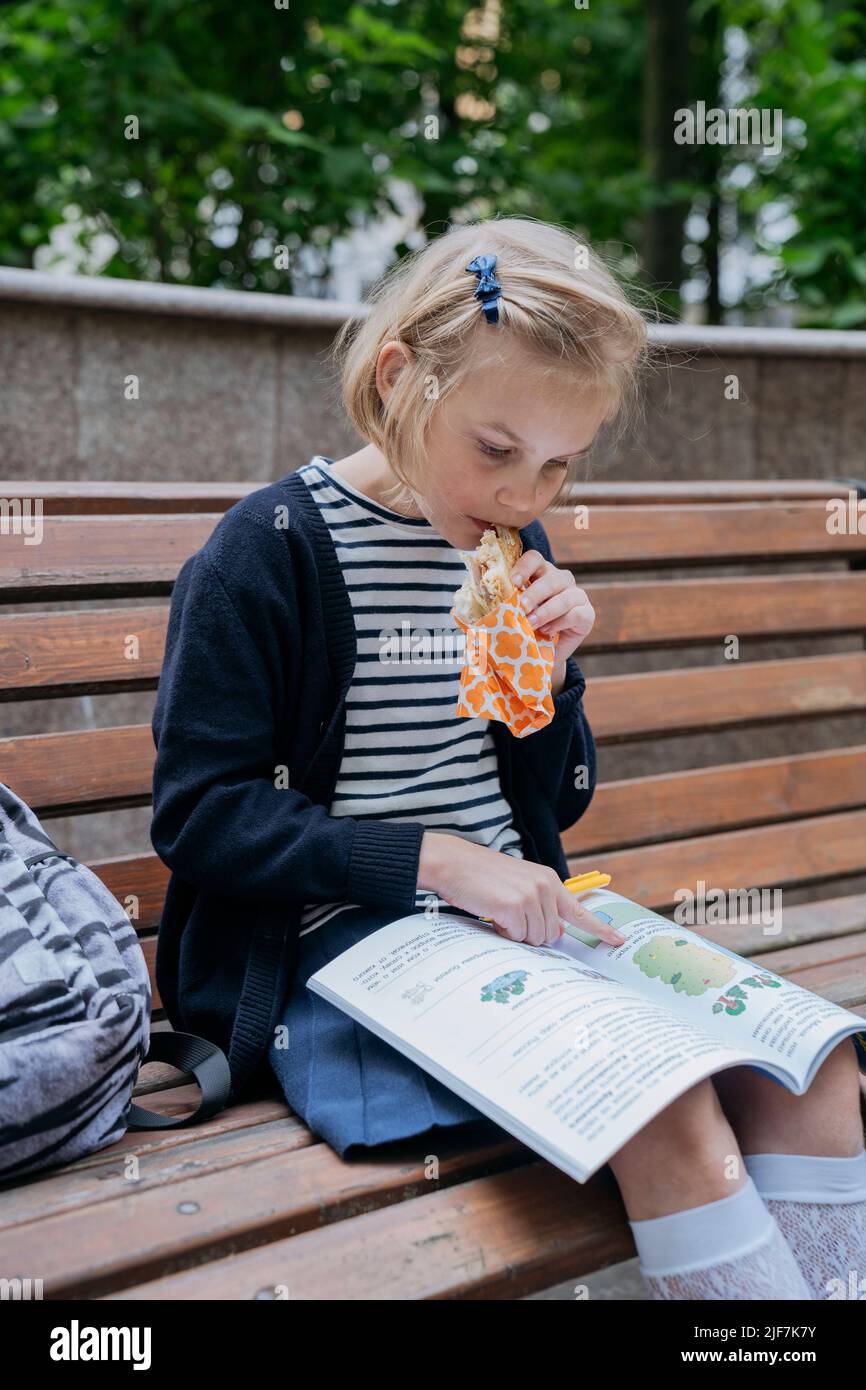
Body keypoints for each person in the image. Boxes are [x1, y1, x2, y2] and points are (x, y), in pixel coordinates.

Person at [151, 216, 866, 1300]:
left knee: (814, 1073)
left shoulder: (511, 548)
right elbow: (201, 815)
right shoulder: (271, 551)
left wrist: (552, 680)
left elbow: (557, 802)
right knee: (662, 1099)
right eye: (496, 450)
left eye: (558, 467)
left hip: (527, 919)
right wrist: (433, 860)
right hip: (344, 949)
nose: (523, 498)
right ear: (397, 379)